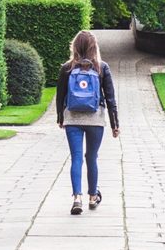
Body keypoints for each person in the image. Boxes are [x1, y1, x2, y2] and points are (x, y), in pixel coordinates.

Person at [56, 31, 120, 215]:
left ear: (74, 46)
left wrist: (61, 118)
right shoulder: (102, 68)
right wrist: (115, 124)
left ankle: (77, 197)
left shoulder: (67, 68)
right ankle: (93, 196)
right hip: (95, 119)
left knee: (76, 157)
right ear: (94, 47)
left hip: (73, 118)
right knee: (91, 157)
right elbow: (110, 99)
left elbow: (60, 97)